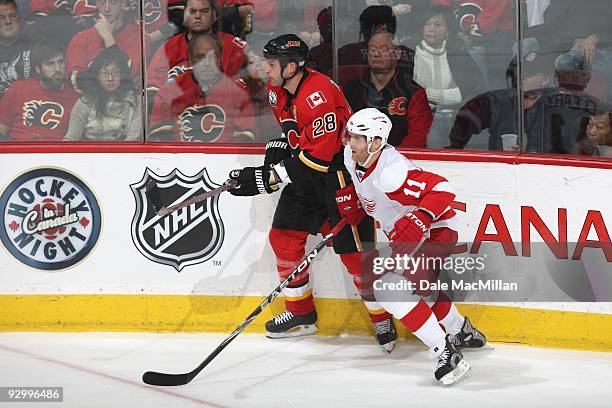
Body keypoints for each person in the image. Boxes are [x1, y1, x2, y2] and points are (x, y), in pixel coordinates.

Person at [227, 34, 398, 352]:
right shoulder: (278, 89)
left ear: (291, 67)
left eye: (273, 63)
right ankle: (301, 314)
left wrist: (271, 177)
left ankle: (381, 318)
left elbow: (319, 159)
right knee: (283, 239)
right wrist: (283, 144)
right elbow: (294, 128)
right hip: (305, 174)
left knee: (356, 257)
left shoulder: (317, 94)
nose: (267, 68)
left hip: (338, 179)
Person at [338, 107, 487, 384]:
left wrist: (421, 217)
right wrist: (355, 203)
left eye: (358, 137)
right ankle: (461, 330)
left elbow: (443, 190)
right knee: (419, 288)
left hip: (435, 230)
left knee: (390, 289)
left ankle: (447, 353)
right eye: (350, 135)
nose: (350, 142)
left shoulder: (392, 172)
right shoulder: (352, 156)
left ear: (376, 142)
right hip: (409, 236)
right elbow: (369, 194)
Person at [148, 32, 256, 142]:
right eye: (200, 57)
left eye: (213, 56)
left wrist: (219, 156)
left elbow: (247, 136)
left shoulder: (236, 92)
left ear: (221, 59)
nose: (207, 63)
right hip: (179, 158)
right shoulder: (170, 91)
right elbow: (159, 137)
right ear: (190, 59)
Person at [412, 6, 485, 147]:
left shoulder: (458, 55)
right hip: (423, 116)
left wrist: (427, 93)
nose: (431, 29)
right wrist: (450, 94)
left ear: (448, 30)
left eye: (438, 25)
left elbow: (470, 92)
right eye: (427, 24)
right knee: (433, 135)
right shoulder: (411, 53)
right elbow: (412, 95)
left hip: (454, 116)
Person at [343, 31, 433, 148]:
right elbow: (342, 128)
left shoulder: (413, 92)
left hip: (399, 160)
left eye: (383, 49)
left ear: (397, 54)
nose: (376, 54)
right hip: (356, 158)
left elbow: (418, 136)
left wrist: (392, 159)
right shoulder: (351, 89)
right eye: (372, 49)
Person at [146, 0, 250, 98]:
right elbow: (152, 91)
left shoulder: (236, 47)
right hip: (178, 113)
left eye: (204, 11)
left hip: (226, 111)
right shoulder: (167, 49)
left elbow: (252, 89)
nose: (198, 16)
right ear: (185, 16)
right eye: (192, 11)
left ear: (214, 15)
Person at [0, 40, 79, 141]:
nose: (58, 69)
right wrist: (20, 144)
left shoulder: (75, 98)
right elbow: (1, 131)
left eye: (61, 62)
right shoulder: (18, 89)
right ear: (38, 68)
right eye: (50, 64)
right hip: (18, 152)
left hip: (55, 153)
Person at [64, 48, 141, 141]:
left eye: (116, 73)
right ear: (97, 76)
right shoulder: (85, 103)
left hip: (123, 153)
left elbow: (133, 141)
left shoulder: (136, 101)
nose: (110, 78)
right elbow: (71, 139)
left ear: (122, 75)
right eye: (104, 73)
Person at [65, 0, 143, 87]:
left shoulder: (139, 37)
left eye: (113, 3)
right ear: (97, 4)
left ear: (123, 4)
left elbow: (128, 74)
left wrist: (108, 38)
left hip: (125, 98)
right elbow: (74, 80)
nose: (107, 9)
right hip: (90, 98)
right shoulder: (80, 38)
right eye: (102, 3)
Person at [0, 0, 36, 98]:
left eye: (12, 16)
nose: (8, 22)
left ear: (19, 19)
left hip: (27, 104)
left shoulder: (36, 43)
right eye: (1, 17)